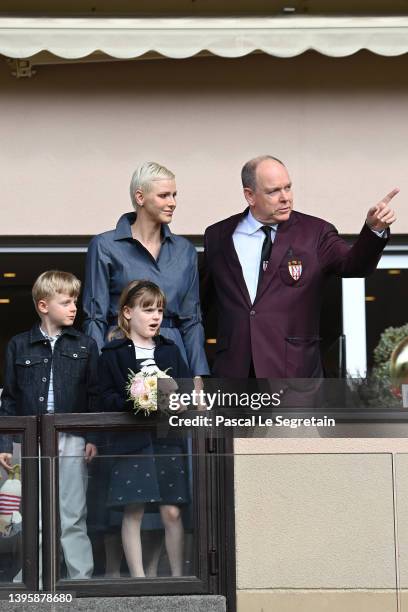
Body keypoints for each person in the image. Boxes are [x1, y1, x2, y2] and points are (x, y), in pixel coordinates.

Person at [201, 155, 398, 378]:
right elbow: (202, 304)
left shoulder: (315, 233)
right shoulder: (218, 236)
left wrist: (373, 231)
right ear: (249, 195)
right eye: (274, 191)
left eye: (288, 188)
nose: (285, 198)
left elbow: (354, 265)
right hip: (234, 376)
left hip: (295, 375)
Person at [0, 270, 99, 580]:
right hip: (30, 439)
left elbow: (94, 397)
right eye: (66, 302)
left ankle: (80, 577)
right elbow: (10, 399)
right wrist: (5, 444)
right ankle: (36, 576)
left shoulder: (85, 345)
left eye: (75, 301)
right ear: (43, 305)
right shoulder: (20, 345)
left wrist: (93, 438)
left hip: (71, 436)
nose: (74, 308)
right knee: (35, 512)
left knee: (73, 512)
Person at [83, 160, 209, 379]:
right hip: (120, 351)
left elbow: (192, 320)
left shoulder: (185, 250)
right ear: (140, 197)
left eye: (174, 195)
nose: (173, 203)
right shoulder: (104, 246)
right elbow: (95, 317)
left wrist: (199, 374)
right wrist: (97, 369)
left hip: (173, 352)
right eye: (164, 195)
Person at [98, 280, 190, 577]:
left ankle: (177, 578)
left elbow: (186, 391)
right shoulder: (112, 353)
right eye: (147, 309)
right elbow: (103, 399)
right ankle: (138, 580)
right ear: (127, 312)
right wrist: (136, 398)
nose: (156, 317)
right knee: (133, 509)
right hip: (130, 440)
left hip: (167, 439)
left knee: (172, 511)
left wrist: (180, 402)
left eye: (160, 310)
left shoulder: (170, 349)